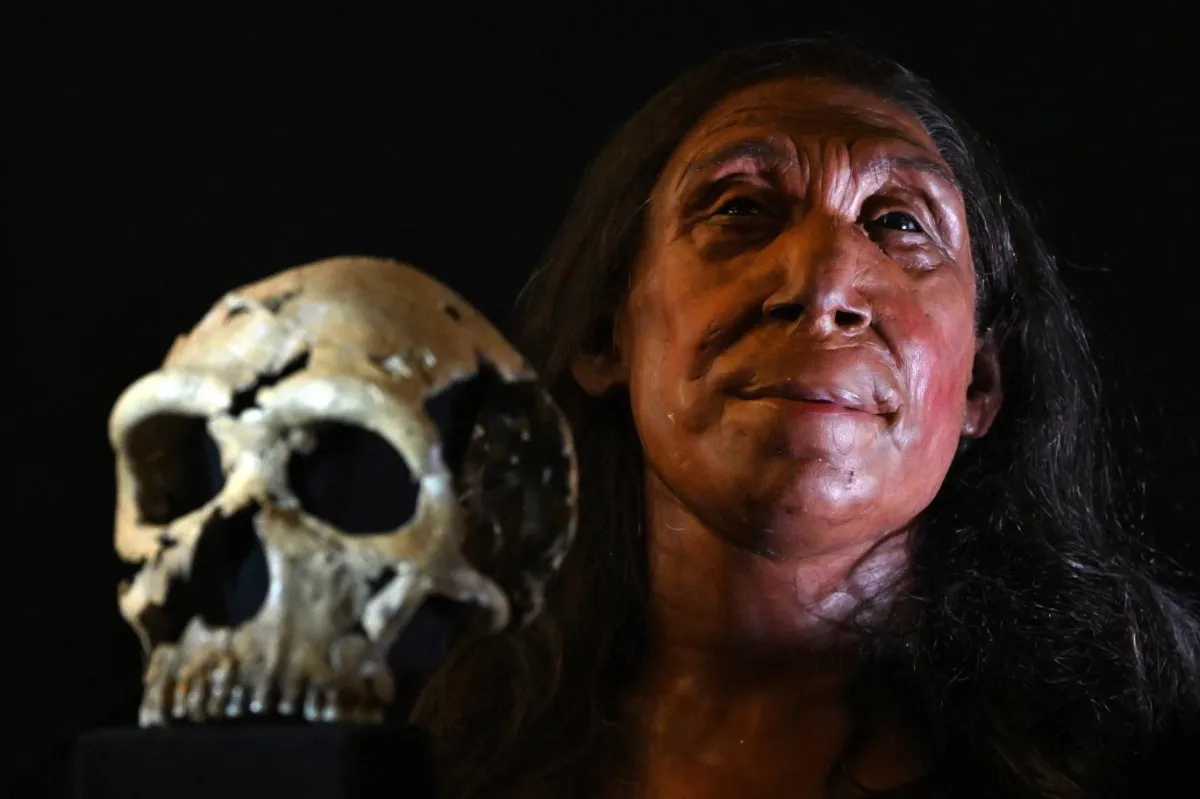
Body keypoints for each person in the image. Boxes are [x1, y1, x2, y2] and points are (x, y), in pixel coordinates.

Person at [413, 37, 1200, 798]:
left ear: (981, 382)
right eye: (740, 207)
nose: (823, 285)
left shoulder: (1150, 754)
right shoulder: (422, 760)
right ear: (605, 335)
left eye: (900, 222)